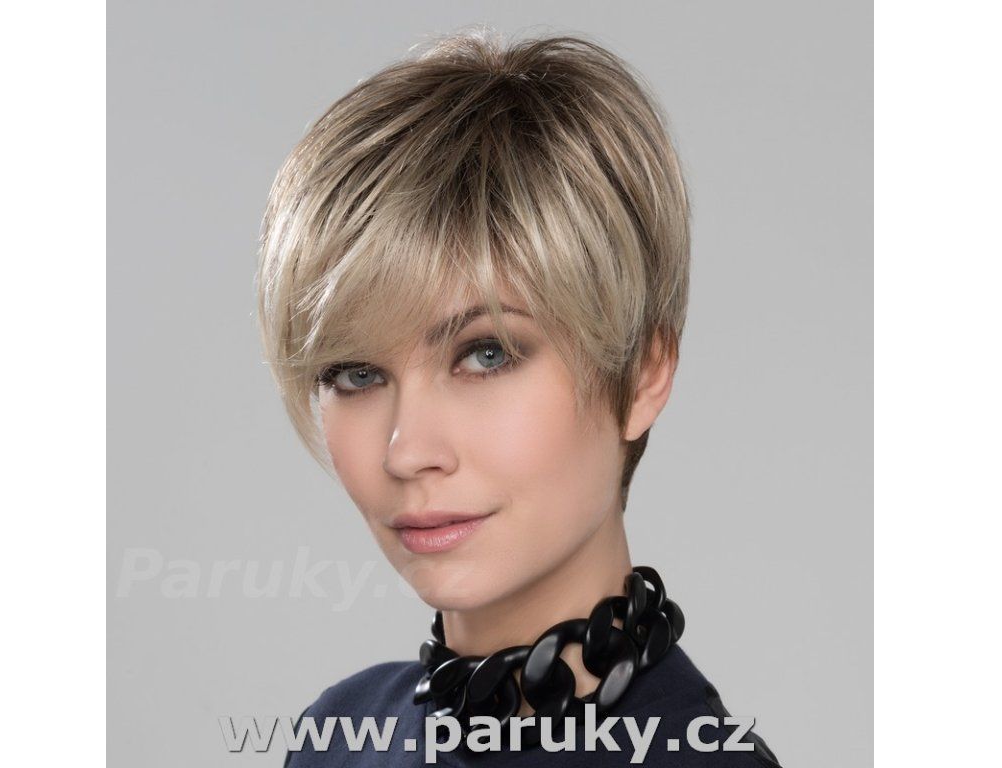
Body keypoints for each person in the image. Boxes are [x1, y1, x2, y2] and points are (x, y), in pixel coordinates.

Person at [256, 28, 781, 766]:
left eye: (486, 353)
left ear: (642, 373)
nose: (406, 452)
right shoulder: (338, 738)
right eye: (356, 374)